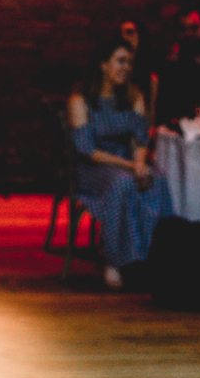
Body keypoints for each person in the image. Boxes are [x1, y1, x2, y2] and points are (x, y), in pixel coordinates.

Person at [68, 38, 174, 290]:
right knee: (123, 183)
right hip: (94, 166)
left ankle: (152, 258)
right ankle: (115, 260)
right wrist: (129, 166)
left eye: (129, 63)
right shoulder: (81, 99)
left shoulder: (133, 96)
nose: (126, 67)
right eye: (120, 61)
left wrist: (139, 163)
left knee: (155, 180)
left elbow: (139, 139)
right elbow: (87, 150)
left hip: (126, 161)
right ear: (103, 65)